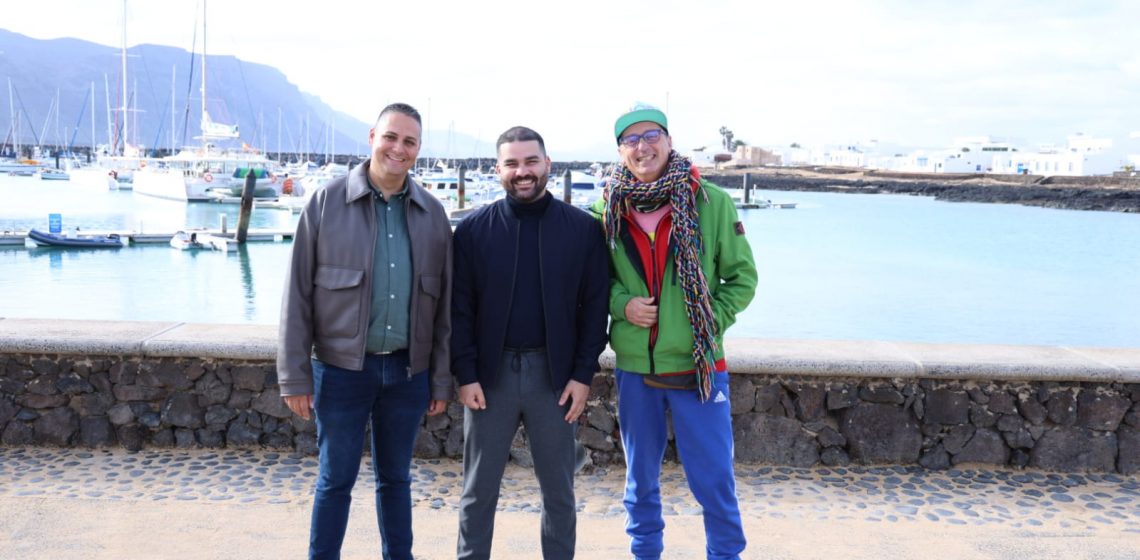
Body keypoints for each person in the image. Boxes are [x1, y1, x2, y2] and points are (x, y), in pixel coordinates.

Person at [277, 102, 453, 560]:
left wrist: (439, 379)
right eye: (391, 136)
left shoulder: (433, 214)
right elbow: (297, 295)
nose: (398, 148)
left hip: (408, 374)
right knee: (335, 480)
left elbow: (444, 310)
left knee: (396, 479)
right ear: (373, 137)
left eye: (409, 141)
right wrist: (294, 377)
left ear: (418, 149)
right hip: (340, 371)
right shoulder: (325, 203)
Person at [595, 103, 757, 560]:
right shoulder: (605, 209)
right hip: (636, 369)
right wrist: (621, 305)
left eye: (652, 135)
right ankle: (644, 553)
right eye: (631, 139)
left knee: (714, 479)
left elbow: (742, 278)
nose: (642, 146)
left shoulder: (711, 202)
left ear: (668, 141)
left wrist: (707, 318)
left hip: (699, 367)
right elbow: (592, 282)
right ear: (620, 150)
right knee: (640, 480)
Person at [451, 126, 609, 559]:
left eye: (531, 161)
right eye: (512, 163)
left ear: (547, 164)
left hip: (554, 379)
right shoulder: (472, 232)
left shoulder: (583, 230)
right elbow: (459, 310)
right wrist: (466, 373)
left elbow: (596, 310)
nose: (523, 171)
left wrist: (582, 375)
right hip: (490, 377)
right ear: (498, 169)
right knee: (477, 491)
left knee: (559, 492)